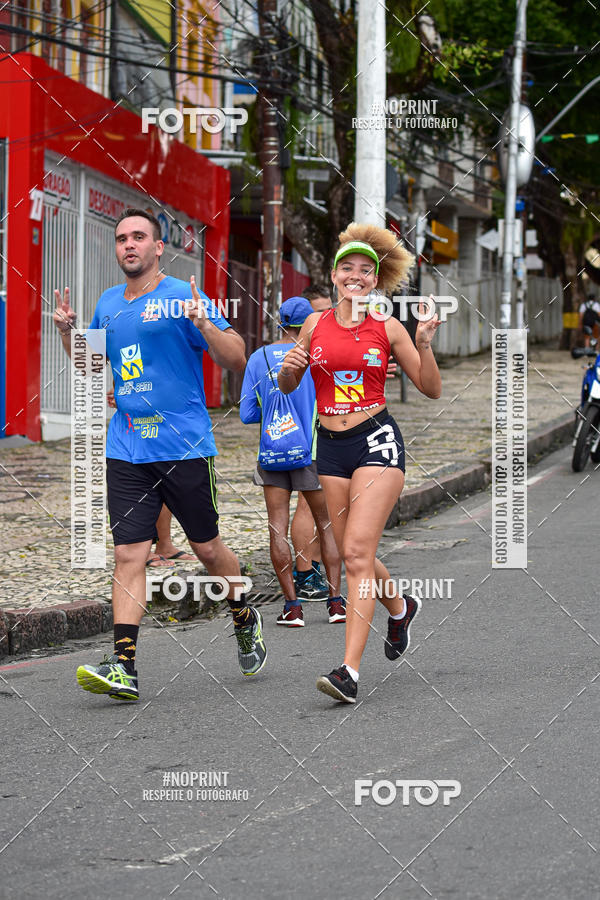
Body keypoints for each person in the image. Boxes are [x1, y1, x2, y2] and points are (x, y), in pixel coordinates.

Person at [53, 207, 267, 702]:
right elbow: (90, 366)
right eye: (122, 238)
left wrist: (203, 322)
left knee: (207, 549)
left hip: (184, 445)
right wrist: (69, 334)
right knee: (130, 552)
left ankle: (242, 610)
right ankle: (124, 666)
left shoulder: (181, 298)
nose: (129, 244)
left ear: (158, 247)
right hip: (127, 445)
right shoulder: (108, 303)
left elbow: (237, 356)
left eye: (138, 237)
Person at [278, 223, 442, 703]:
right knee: (359, 551)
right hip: (329, 447)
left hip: (377, 442)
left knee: (352, 556)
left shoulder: (387, 327)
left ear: (375, 280)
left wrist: (424, 342)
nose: (355, 276)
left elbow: (431, 388)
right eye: (347, 268)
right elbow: (291, 384)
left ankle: (348, 671)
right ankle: (400, 607)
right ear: (333, 276)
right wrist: (289, 373)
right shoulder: (315, 324)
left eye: (364, 270)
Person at [240, 296, 343, 626]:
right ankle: (336, 603)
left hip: (272, 455)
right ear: (308, 324)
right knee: (325, 526)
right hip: (311, 453)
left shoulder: (258, 358)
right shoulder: (317, 357)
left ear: (280, 322)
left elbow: (247, 413)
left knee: (276, 528)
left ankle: (292, 607)